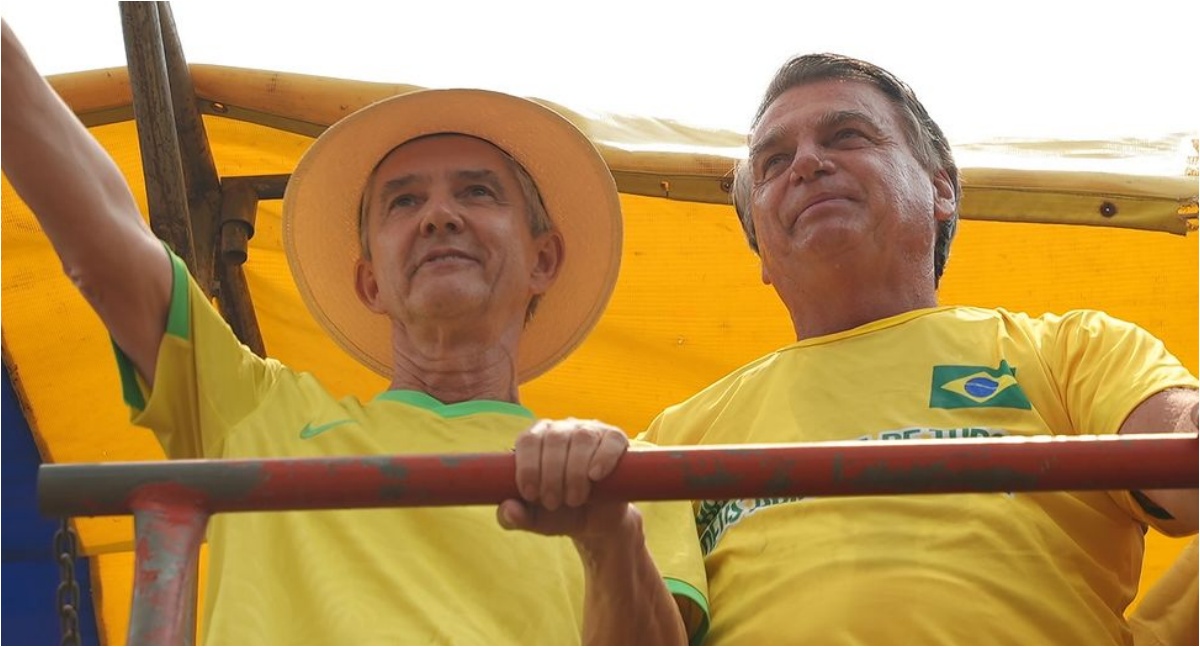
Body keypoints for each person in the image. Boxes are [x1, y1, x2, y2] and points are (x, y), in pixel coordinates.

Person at [0, 20, 707, 645]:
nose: (439, 216)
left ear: (544, 259)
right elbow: (103, 239)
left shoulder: (628, 473)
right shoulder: (257, 413)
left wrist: (610, 534)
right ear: (370, 282)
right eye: (403, 202)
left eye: (477, 191)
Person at [640, 52, 1199, 644]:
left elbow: (1186, 478)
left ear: (941, 189)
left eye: (846, 135)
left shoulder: (1072, 350)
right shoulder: (672, 440)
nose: (804, 163)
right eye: (774, 162)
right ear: (760, 251)